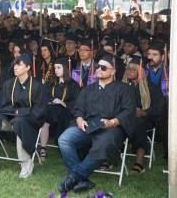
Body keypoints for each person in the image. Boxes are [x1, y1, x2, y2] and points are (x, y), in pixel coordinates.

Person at [57, 54, 135, 193]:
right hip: (88, 125)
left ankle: (73, 177)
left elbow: (128, 111)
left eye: (103, 67)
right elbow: (78, 108)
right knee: (64, 139)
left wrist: (112, 121)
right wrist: (80, 119)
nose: (98, 69)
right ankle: (82, 180)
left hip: (110, 128)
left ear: (113, 71)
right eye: (97, 66)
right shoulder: (88, 89)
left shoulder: (124, 89)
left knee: (103, 144)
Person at [0, 53, 45, 178]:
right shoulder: (9, 84)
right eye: (14, 65)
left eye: (19, 65)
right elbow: (1, 106)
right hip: (10, 118)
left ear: (27, 68)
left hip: (30, 121)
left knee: (19, 122)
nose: (15, 67)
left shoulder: (37, 86)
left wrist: (21, 113)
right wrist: (14, 112)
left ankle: (26, 162)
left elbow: (40, 110)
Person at [122, 57, 164, 173]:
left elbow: (158, 107)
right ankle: (109, 157)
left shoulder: (151, 87)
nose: (129, 71)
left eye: (133, 70)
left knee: (138, 122)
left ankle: (139, 160)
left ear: (141, 71)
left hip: (146, 118)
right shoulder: (122, 86)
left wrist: (144, 112)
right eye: (128, 69)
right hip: (124, 118)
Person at [39, 58, 80, 161]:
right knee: (45, 115)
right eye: (55, 68)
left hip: (66, 112)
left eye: (59, 67)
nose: (56, 70)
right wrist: (51, 101)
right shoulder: (51, 83)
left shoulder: (73, 84)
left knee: (55, 113)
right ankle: (43, 148)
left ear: (65, 68)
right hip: (52, 110)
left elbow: (77, 101)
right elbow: (45, 96)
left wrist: (63, 103)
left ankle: (63, 147)